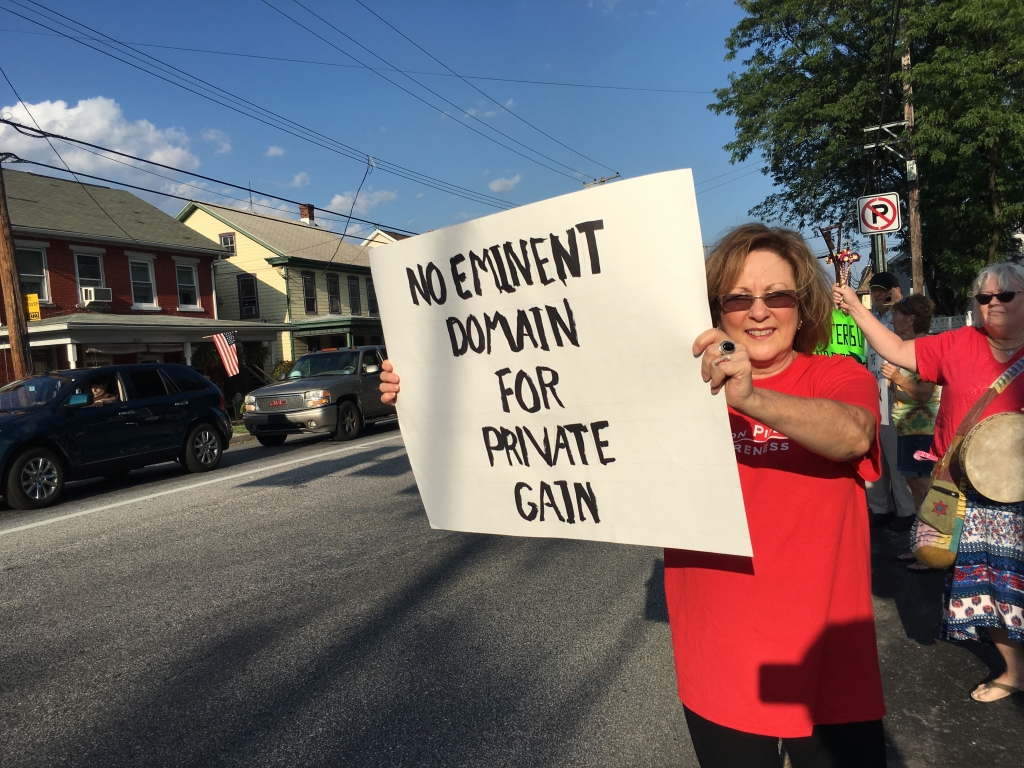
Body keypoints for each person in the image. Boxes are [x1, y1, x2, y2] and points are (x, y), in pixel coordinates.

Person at [381, 223, 888, 767]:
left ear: (803, 303)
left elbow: (852, 434)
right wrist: (426, 391)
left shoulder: (837, 374)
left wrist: (752, 397)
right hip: (721, 649)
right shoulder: (675, 384)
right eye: (738, 298)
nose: (758, 311)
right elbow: (554, 398)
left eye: (777, 295)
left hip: (828, 649)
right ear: (715, 308)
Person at [835, 262, 1024, 703]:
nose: (992, 304)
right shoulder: (958, 343)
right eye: (984, 298)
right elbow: (898, 350)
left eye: (1005, 296)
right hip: (967, 491)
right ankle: (1014, 670)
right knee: (988, 585)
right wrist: (857, 310)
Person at [881, 297, 941, 571]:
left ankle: (933, 551)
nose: (892, 321)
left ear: (911, 320)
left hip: (923, 431)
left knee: (924, 490)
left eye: (896, 316)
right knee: (916, 489)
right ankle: (922, 549)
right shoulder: (908, 349)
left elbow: (925, 393)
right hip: (910, 429)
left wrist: (897, 379)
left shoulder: (925, 349)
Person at [865, 271, 917, 530]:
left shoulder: (901, 318)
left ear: (896, 290)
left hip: (895, 391)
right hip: (873, 390)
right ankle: (880, 506)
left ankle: (906, 510)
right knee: (875, 453)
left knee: (896, 455)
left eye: (882, 291)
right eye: (874, 291)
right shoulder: (871, 319)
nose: (877, 296)